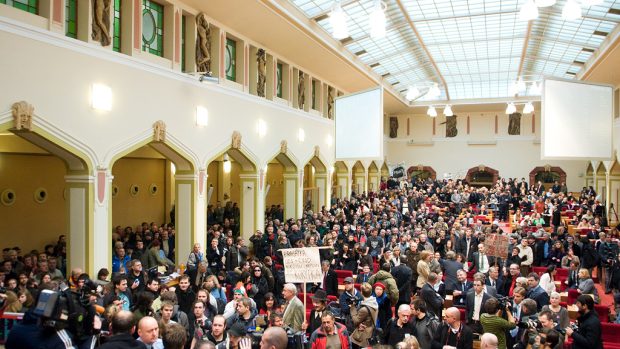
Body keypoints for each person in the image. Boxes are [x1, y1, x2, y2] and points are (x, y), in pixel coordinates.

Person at [350, 282, 378, 349]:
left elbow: (355, 321)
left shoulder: (364, 309)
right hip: (370, 330)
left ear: (361, 292)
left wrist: (352, 307)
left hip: (362, 336)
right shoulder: (374, 302)